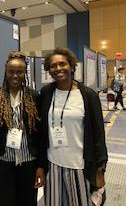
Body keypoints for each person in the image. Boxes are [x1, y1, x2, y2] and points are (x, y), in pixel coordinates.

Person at [39, 47, 108, 206]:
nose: (58, 69)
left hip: (80, 166)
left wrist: (100, 170)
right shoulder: (46, 93)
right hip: (53, 164)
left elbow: (98, 134)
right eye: (53, 66)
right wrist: (40, 165)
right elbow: (41, 131)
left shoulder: (88, 96)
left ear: (71, 65)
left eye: (62, 64)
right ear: (49, 70)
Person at [0, 51, 46, 206]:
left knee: (28, 201)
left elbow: (41, 135)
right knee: (6, 201)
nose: (15, 76)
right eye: (11, 72)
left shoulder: (33, 96)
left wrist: (40, 166)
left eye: (19, 72)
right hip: (4, 160)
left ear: (25, 73)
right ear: (6, 72)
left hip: (29, 161)